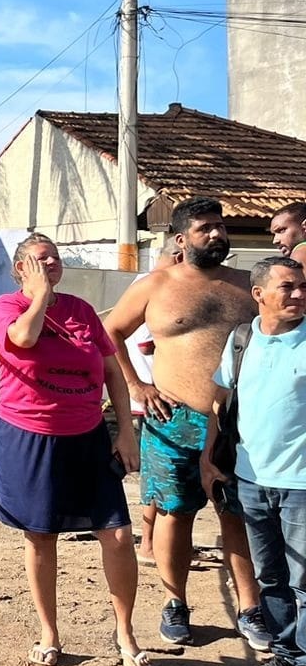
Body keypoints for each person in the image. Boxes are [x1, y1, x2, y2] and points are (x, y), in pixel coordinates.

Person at [103, 197, 268, 650]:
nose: (216, 234)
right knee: (176, 515)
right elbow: (110, 332)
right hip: (172, 419)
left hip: (239, 421)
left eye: (220, 227)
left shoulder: (248, 285)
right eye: (205, 229)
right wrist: (137, 385)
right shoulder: (155, 285)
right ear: (180, 239)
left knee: (237, 514)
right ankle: (176, 602)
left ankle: (250, 608)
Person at [0, 233, 148, 666]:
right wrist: (38, 297)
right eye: (41, 259)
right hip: (30, 435)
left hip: (88, 434)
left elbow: (112, 371)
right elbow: (21, 341)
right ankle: (49, 632)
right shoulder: (9, 306)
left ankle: (125, 631)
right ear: (22, 268)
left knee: (116, 534)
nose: (52, 263)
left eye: (55, 257)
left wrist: (125, 431)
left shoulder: (80, 311)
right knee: (41, 535)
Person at [204, 257, 306, 666]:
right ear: (259, 294)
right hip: (251, 478)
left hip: (302, 484)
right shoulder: (242, 340)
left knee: (305, 581)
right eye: (288, 287)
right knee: (271, 577)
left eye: (303, 287)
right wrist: (211, 459)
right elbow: (221, 401)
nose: (300, 295)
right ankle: (285, 656)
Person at [126, 241, 182, 564]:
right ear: (178, 255)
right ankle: (148, 543)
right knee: (158, 475)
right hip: (155, 399)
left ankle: (155, 542)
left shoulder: (147, 284)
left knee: (160, 474)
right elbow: (146, 343)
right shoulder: (155, 288)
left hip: (154, 396)